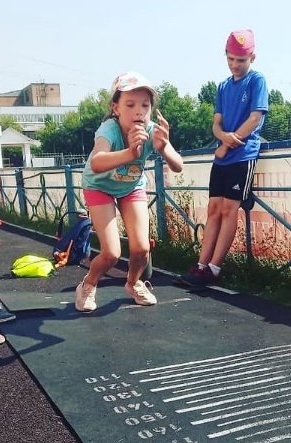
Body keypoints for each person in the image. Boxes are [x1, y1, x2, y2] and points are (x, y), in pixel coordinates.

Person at [75, 71, 183, 312]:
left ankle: (133, 283)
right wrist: (131, 153)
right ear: (116, 108)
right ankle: (88, 284)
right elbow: (97, 162)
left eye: (145, 105)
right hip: (99, 186)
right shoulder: (109, 130)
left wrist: (164, 147)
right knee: (111, 253)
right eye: (130, 105)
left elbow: (178, 165)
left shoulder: (152, 130)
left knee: (141, 249)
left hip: (131, 186)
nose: (139, 112)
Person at [179, 29, 269, 287]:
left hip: (243, 155)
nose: (235, 65)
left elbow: (255, 118)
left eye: (241, 60)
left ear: (252, 57)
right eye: (230, 59)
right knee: (213, 209)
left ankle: (214, 269)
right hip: (222, 158)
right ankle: (200, 266)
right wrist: (222, 137)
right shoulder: (223, 86)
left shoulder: (257, 80)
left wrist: (228, 143)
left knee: (229, 210)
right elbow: (216, 124)